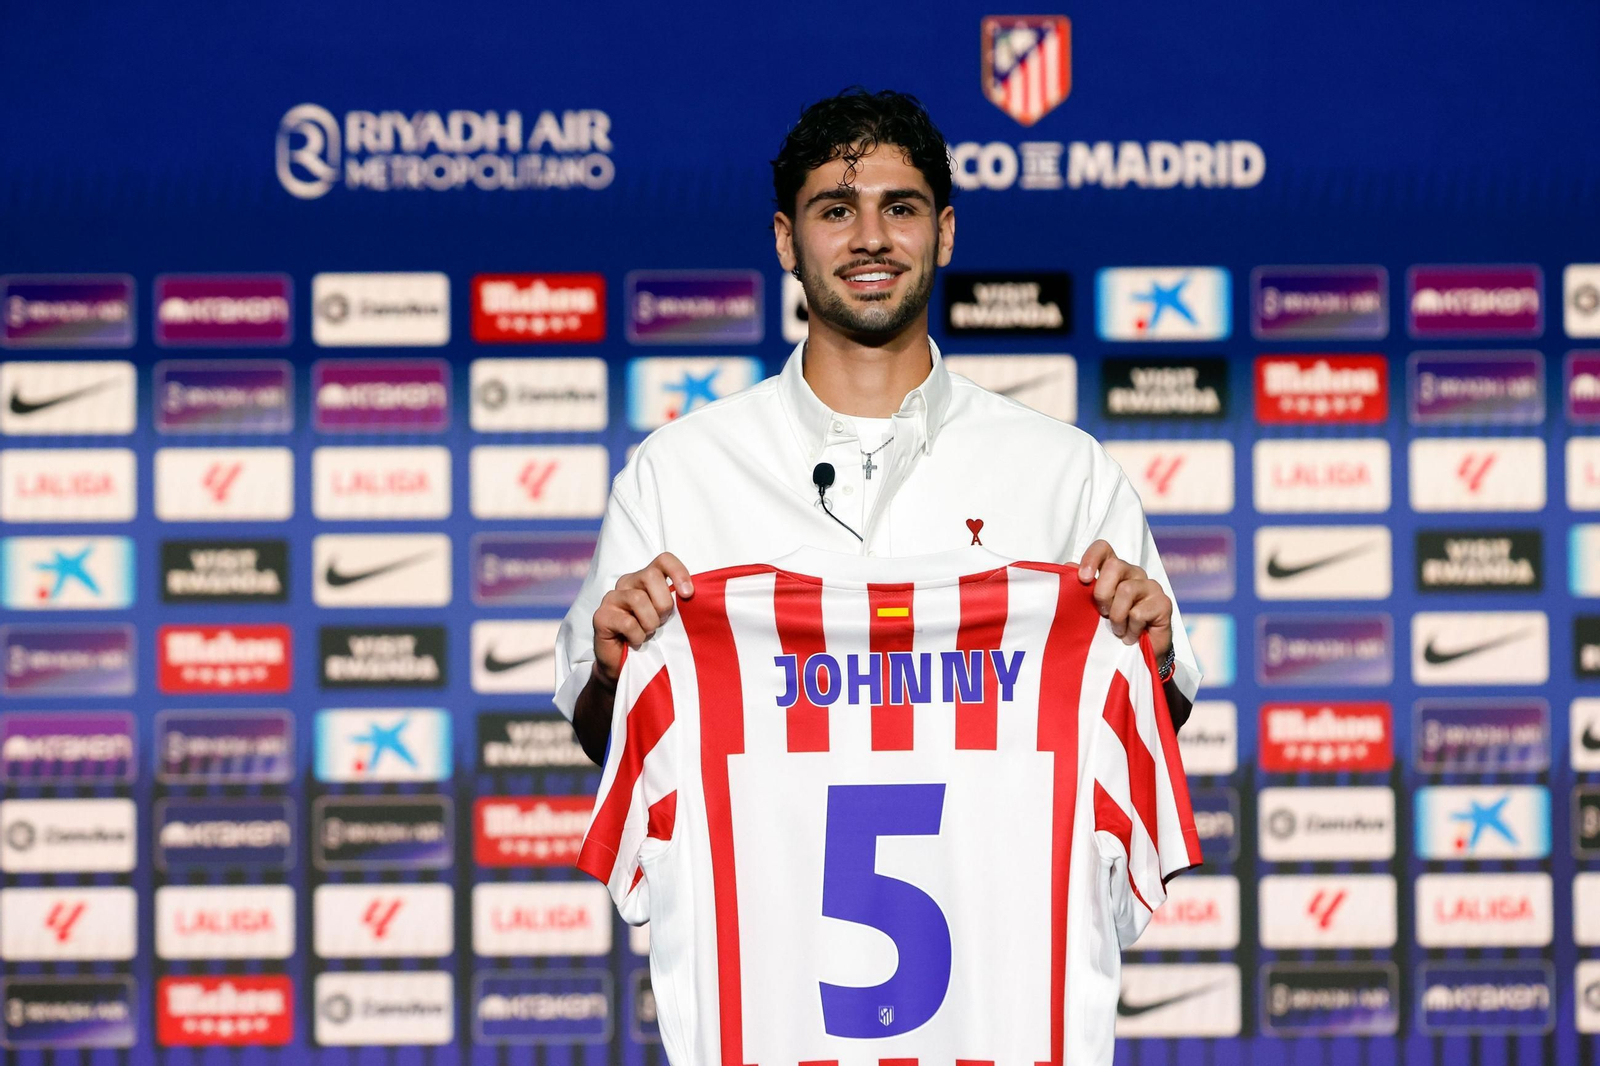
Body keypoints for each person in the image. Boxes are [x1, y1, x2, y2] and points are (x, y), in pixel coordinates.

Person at [554, 88, 1200, 763]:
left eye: (899, 208)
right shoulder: (678, 473)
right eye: (837, 210)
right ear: (785, 240)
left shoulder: (1066, 471)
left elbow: (1154, 729)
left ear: (944, 233)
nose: (871, 238)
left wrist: (1151, 660)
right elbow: (603, 739)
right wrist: (609, 676)